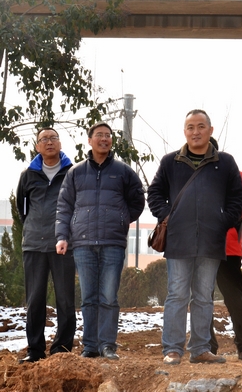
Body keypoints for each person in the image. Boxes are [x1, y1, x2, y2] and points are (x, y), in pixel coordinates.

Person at [147, 109, 242, 366]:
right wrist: (168, 217)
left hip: (212, 241)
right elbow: (154, 193)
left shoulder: (225, 162)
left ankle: (201, 348)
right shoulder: (170, 162)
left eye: (201, 126)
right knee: (177, 294)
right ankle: (172, 349)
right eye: (190, 127)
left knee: (204, 295)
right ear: (184, 132)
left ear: (210, 131)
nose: (196, 131)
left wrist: (223, 221)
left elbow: (238, 197)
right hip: (179, 240)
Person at [55, 122, 145, 361]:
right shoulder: (76, 172)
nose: (104, 139)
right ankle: (90, 346)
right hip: (83, 244)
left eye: (108, 135)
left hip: (113, 243)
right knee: (88, 298)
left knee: (108, 297)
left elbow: (138, 200)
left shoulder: (123, 171)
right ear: (90, 140)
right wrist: (62, 236)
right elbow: (64, 206)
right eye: (99, 135)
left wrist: (121, 219)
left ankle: (107, 345)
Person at [15, 128, 76, 364]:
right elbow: (22, 209)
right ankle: (35, 349)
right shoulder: (28, 175)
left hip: (63, 244)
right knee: (35, 299)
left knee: (65, 299)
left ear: (60, 143)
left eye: (53, 138)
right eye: (44, 139)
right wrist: (34, 227)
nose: (49, 142)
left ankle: (62, 348)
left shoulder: (72, 173)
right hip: (34, 244)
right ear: (37, 146)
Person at [208, 138, 242, 361]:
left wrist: (222, 216)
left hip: (228, 247)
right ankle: (206, 346)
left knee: (235, 298)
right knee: (201, 299)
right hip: (197, 248)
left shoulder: (236, 175)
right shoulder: (189, 177)